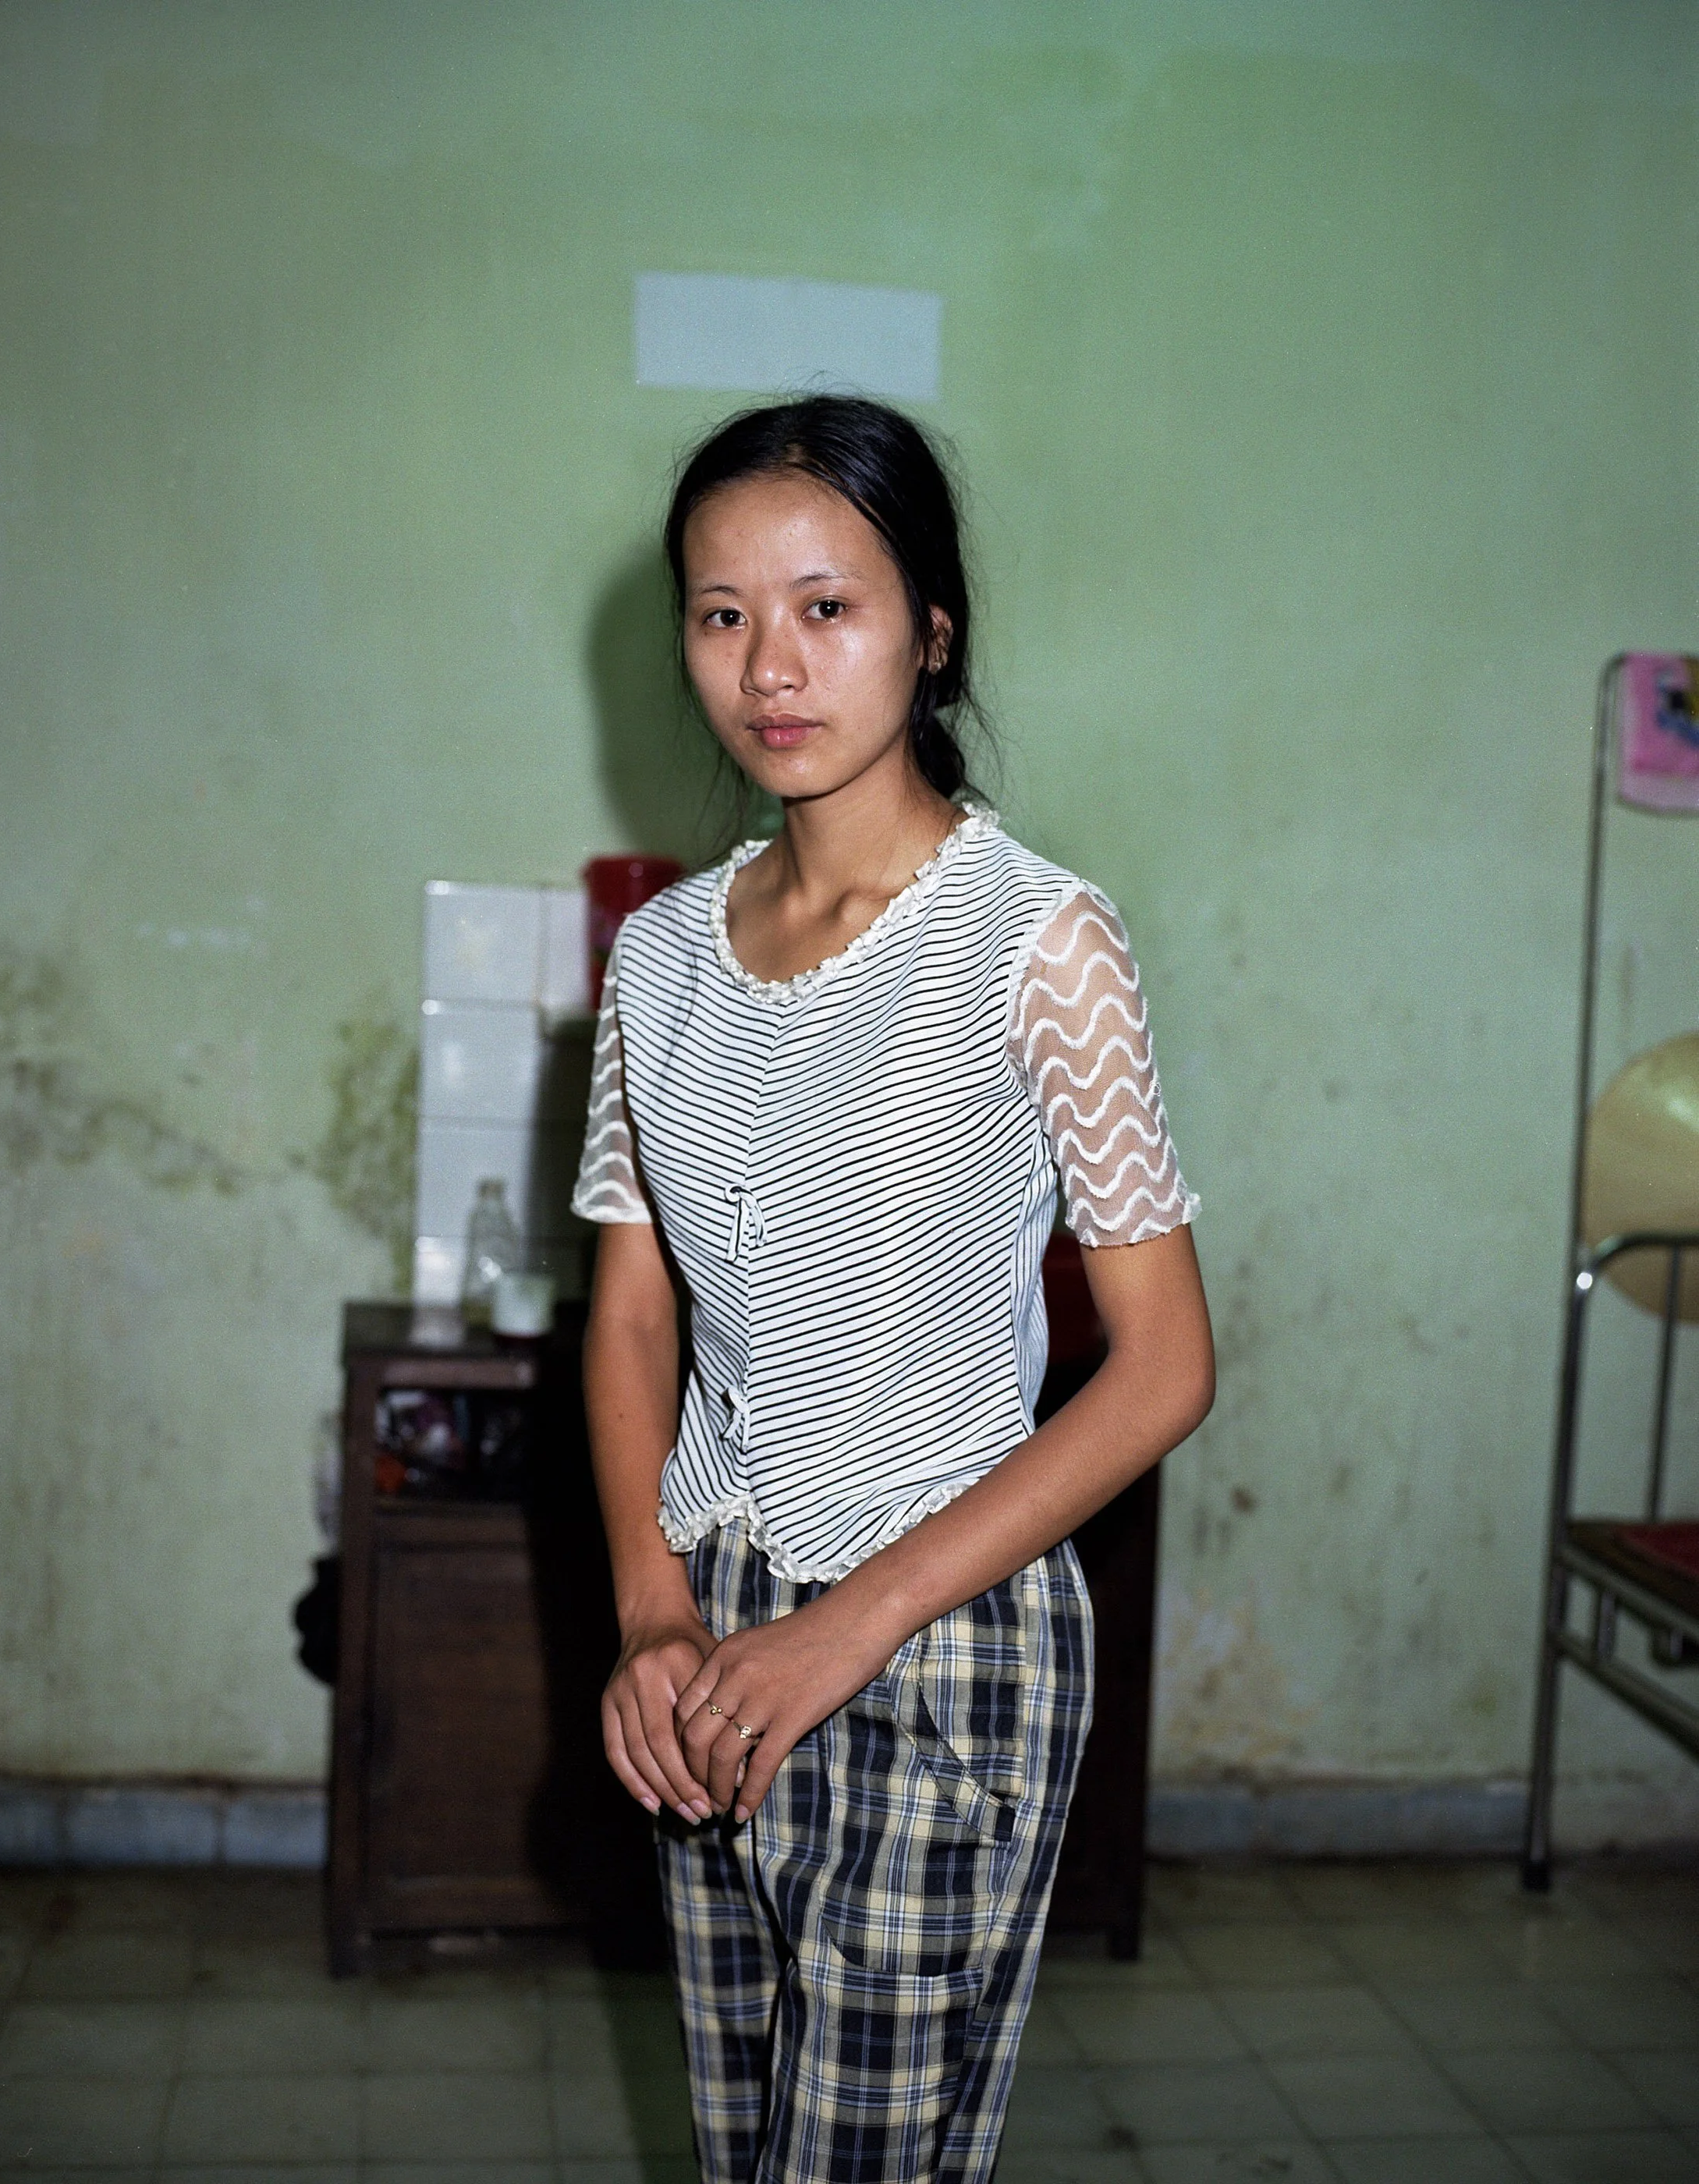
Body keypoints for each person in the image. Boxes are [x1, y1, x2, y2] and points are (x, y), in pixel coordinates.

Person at [571, 395, 1214, 2184]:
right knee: (738, 2144)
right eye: (719, 613)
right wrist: (649, 1610)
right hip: (705, 1630)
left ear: (930, 631)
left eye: (824, 605)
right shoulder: (658, 959)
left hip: (939, 1634)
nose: (769, 663)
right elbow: (633, 1317)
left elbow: (1163, 1368)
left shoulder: (1039, 942)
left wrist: (842, 1628)